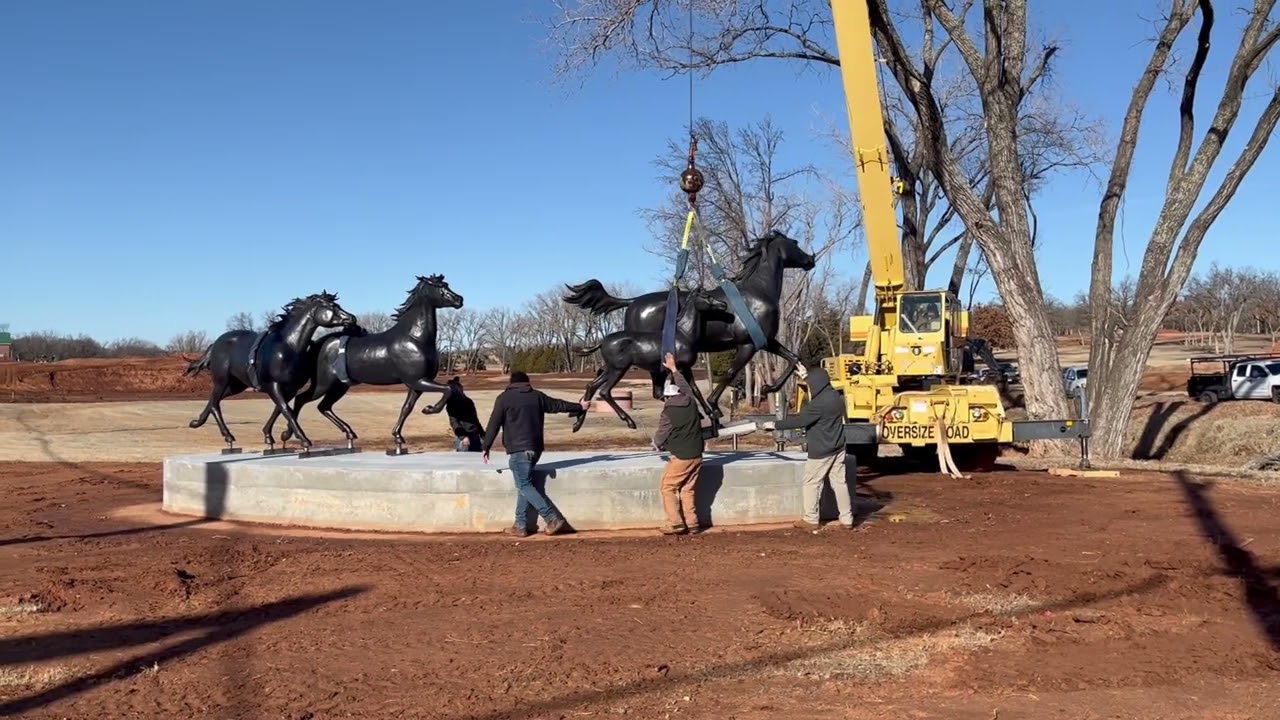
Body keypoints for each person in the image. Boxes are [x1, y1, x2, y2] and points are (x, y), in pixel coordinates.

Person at [481, 371, 591, 537]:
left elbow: (494, 423)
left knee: (524, 485)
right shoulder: (537, 396)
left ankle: (551, 518)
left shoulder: (504, 398)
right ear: (527, 382)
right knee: (523, 486)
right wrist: (579, 406)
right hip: (535, 449)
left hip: (518, 450)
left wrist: (486, 446)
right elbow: (557, 405)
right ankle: (520, 525)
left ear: (511, 383)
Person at [761, 365, 856, 530]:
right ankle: (847, 519)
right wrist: (806, 376)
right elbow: (818, 383)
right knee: (840, 483)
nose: (809, 387)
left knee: (811, 483)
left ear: (817, 385)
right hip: (838, 448)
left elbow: (800, 421)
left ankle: (810, 519)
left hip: (821, 450)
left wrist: (774, 425)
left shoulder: (818, 405)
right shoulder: (836, 397)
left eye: (811, 384)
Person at [650, 353, 706, 536]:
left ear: (667, 397)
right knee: (687, 489)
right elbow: (685, 385)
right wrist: (673, 369)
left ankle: (675, 523)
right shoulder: (690, 401)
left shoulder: (667, 413)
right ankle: (693, 523)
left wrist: (655, 444)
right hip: (697, 454)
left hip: (681, 456)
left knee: (668, 487)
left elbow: (661, 435)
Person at [443, 376, 484, 452]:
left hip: (474, 435)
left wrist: (483, 434)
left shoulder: (468, 401)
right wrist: (463, 437)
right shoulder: (451, 404)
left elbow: (475, 420)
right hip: (463, 438)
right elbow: (454, 422)